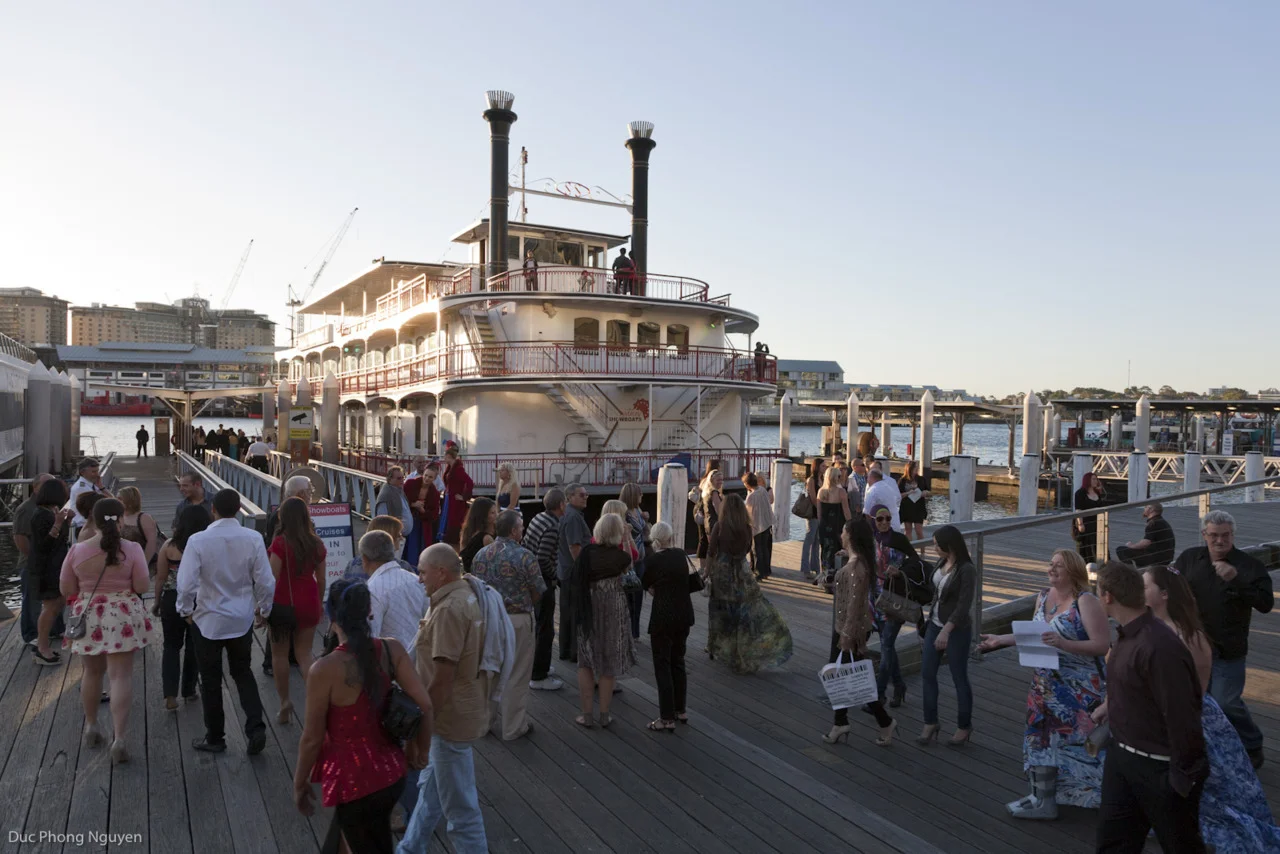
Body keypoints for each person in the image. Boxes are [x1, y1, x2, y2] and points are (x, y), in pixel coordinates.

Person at [1141, 564, 1280, 851]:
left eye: (1145, 586)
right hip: (1160, 715)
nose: (1139, 591)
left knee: (1210, 788)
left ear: (1164, 594)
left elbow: (1195, 692)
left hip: (1189, 719)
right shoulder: (1150, 627)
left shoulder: (1188, 636)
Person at [295, 580, 433, 854]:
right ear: (369, 612)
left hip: (354, 783)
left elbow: (311, 739)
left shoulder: (324, 669)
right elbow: (425, 705)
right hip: (393, 774)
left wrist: (299, 783)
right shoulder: (391, 650)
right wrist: (420, 750)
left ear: (332, 619)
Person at [978, 549, 1109, 819]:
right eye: (1050, 564)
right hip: (1044, 685)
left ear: (1073, 571)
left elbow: (1102, 645)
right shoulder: (1042, 596)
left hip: (1079, 689)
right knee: (1040, 740)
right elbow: (1034, 633)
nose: (1051, 569)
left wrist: (1065, 644)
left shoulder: (1085, 601)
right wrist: (1000, 640)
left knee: (1082, 744)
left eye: (1058, 566)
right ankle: (1042, 799)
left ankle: (1095, 797)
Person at [1091, 561, 1208, 853]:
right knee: (1113, 843)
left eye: (1097, 592)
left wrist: (1181, 780)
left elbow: (1184, 716)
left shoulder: (1159, 647)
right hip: (1122, 759)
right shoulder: (1127, 635)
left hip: (1159, 767)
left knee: (1181, 845)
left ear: (1107, 597)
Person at [399, 544, 491, 854]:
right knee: (430, 793)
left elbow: (441, 679)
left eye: (422, 572)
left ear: (441, 572)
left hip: (448, 720)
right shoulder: (462, 594)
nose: (418, 578)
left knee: (461, 811)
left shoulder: (450, 610)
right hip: (458, 712)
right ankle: (410, 848)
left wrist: (419, 730)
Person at [176, 488, 276, 755]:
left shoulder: (198, 541)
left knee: (210, 680)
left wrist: (184, 610)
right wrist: (264, 610)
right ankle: (256, 728)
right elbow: (266, 581)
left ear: (213, 510)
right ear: (239, 508)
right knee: (243, 673)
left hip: (207, 619)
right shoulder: (253, 538)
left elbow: (185, 584)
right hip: (240, 618)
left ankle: (216, 737)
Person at [1174, 509, 1273, 770]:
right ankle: (1209, 748)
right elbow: (1171, 587)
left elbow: (1265, 603)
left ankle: (1252, 743)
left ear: (1233, 535)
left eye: (1226, 535)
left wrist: (1237, 580)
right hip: (1193, 645)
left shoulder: (1249, 565)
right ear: (1204, 535)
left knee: (1226, 702)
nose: (1220, 540)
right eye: (1214, 535)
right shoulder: (1189, 558)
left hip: (1228, 646)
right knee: (1198, 700)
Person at [59, 498, 155, 763]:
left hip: (88, 614)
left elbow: (67, 589)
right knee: (120, 677)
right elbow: (142, 586)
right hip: (122, 615)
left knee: (91, 673)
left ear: (95, 519)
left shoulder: (77, 551)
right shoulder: (133, 549)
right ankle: (119, 739)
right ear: (122, 519)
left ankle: (91, 726)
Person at [823, 517, 897, 746]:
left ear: (851, 536)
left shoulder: (857, 567)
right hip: (846, 626)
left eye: (844, 531)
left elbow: (855, 603)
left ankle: (877, 722)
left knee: (850, 677)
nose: (841, 535)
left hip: (851, 629)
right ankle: (843, 721)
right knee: (846, 676)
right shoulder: (856, 561)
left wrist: (846, 636)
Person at [471, 510, 544, 740]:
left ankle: (484, 723)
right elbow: (538, 590)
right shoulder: (525, 556)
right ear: (513, 531)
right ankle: (513, 727)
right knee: (518, 672)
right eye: (521, 527)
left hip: (490, 619)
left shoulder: (481, 554)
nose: (522, 530)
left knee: (490, 671)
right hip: (517, 619)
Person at [706, 493, 793, 673]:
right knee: (742, 612)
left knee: (720, 611)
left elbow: (711, 551)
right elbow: (747, 549)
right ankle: (741, 649)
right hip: (742, 572)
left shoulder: (719, 526)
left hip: (722, 573)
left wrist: (706, 572)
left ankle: (717, 647)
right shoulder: (747, 528)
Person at [570, 514, 636, 727]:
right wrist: (626, 538)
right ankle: (605, 715)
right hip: (613, 608)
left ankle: (587, 715)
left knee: (585, 661)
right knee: (608, 662)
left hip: (588, 607)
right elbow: (630, 563)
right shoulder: (620, 557)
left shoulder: (587, 553)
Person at [266, 497, 327, 724]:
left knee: (280, 655)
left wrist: (262, 608)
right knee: (304, 654)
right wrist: (319, 602)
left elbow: (272, 577)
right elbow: (321, 579)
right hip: (309, 600)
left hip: (283, 603)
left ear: (283, 516)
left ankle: (284, 702)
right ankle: (318, 703)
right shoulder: (317, 544)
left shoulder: (280, 543)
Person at [918, 524, 976, 747]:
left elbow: (963, 606)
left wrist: (946, 629)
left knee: (958, 676)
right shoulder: (943, 562)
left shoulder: (966, 570)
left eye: (936, 544)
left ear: (949, 545)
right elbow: (935, 591)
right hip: (934, 623)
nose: (934, 548)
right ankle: (930, 721)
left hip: (957, 629)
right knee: (927, 673)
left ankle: (964, 725)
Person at [641, 522, 696, 732]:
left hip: (663, 617)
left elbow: (646, 582)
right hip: (684, 614)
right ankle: (680, 709)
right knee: (678, 661)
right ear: (671, 537)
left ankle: (666, 717)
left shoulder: (654, 560)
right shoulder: (680, 555)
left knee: (662, 664)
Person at [153, 504, 208, 710]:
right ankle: (189, 689)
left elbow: (160, 578)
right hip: (199, 600)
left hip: (172, 599)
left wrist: (157, 602)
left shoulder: (169, 545)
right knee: (194, 645)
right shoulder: (206, 545)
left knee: (171, 646)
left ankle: (170, 695)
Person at [869, 505, 921, 708]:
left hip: (895, 597)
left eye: (888, 519)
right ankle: (899, 686)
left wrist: (900, 570)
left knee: (887, 645)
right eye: (880, 519)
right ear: (873, 520)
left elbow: (916, 561)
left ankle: (879, 694)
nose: (884, 523)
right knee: (886, 646)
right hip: (876, 598)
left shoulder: (898, 539)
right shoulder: (870, 539)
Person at [523, 488, 565, 691]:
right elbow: (542, 557)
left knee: (540, 625)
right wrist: (554, 576)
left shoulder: (538, 517)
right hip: (543, 582)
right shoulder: (553, 527)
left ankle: (539, 666)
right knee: (545, 628)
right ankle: (538, 675)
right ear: (562, 505)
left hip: (532, 579)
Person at [30, 477, 74, 665]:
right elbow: (43, 545)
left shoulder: (50, 512)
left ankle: (43, 644)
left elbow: (59, 540)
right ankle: (42, 647)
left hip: (56, 566)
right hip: (46, 568)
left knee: (56, 605)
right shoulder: (40, 515)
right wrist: (57, 523)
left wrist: (66, 520)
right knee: (50, 607)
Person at [13, 473, 60, 646]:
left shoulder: (52, 506)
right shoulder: (26, 509)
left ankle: (54, 629)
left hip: (50, 562)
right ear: (36, 487)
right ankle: (30, 634)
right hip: (32, 564)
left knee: (53, 598)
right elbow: (20, 538)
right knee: (31, 601)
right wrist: (34, 559)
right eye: (47, 485)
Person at [556, 484, 591, 662]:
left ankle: (566, 650)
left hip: (565, 571)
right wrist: (585, 571)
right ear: (569, 497)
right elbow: (575, 547)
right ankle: (574, 652)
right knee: (575, 613)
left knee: (568, 613)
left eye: (586, 495)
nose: (586, 497)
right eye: (582, 495)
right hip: (574, 573)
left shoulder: (568, 515)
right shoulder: (573, 517)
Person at [619, 483, 650, 639]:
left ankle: (635, 631)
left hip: (641, 557)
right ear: (633, 495)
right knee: (629, 597)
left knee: (638, 597)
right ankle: (628, 631)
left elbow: (644, 531)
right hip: (630, 558)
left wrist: (646, 519)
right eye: (640, 493)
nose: (642, 496)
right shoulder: (624, 514)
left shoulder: (637, 510)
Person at [343, 515, 416, 579]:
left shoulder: (353, 564)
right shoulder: (401, 566)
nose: (402, 538)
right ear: (389, 537)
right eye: (398, 535)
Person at [816, 465, 851, 588]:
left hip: (824, 526)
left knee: (825, 551)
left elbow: (819, 513)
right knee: (838, 551)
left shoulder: (821, 491)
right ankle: (836, 579)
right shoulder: (841, 492)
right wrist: (851, 524)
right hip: (837, 525)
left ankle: (824, 577)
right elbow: (846, 512)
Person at [1116, 501, 1175, 568]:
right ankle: (1141, 571)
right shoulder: (1161, 521)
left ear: (1151, 509)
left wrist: (1132, 546)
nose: (1144, 509)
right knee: (1140, 555)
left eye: (1146, 507)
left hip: (1157, 558)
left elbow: (1146, 543)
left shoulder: (1154, 523)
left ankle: (1131, 572)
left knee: (1121, 550)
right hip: (1165, 557)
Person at [403, 458, 440, 566]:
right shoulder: (410, 483)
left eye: (430, 477)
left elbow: (434, 514)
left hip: (423, 524)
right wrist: (413, 504)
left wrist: (423, 510)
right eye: (426, 475)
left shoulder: (435, 493)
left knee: (420, 547)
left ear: (434, 478)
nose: (427, 479)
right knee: (407, 546)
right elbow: (402, 500)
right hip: (408, 519)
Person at [374, 466, 414, 558]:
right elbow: (382, 519)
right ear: (389, 479)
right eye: (399, 478)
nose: (402, 481)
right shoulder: (386, 495)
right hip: (393, 539)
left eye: (403, 478)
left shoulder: (399, 491)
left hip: (401, 537)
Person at [437, 447, 474, 549]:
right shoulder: (450, 467)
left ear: (449, 456)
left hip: (455, 500)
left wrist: (464, 497)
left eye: (445, 456)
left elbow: (469, 482)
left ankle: (454, 544)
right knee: (448, 518)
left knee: (454, 520)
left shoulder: (458, 469)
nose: (444, 458)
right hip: (449, 498)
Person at [116, 486, 159, 568]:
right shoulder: (118, 516)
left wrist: (144, 564)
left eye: (120, 498)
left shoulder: (144, 518)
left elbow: (152, 543)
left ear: (129, 500)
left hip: (141, 562)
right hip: (122, 563)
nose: (117, 501)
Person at [1073, 472, 1111, 563]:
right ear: (1087, 480)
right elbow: (1078, 510)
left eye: (1096, 479)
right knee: (1086, 544)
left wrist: (1106, 524)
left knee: (1100, 543)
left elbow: (1102, 510)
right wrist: (1080, 524)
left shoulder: (1097, 492)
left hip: (1097, 521)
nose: (1095, 481)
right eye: (1093, 479)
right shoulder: (1080, 493)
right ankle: (1085, 563)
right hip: (1085, 521)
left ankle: (1103, 562)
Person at [68, 457, 111, 534]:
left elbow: (112, 501)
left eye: (97, 471)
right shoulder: (81, 488)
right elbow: (109, 503)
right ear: (82, 472)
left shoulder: (92, 485)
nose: (97, 475)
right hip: (84, 526)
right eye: (93, 472)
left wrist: (102, 487)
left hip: (90, 525)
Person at [799, 458, 826, 580]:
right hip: (813, 514)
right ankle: (805, 568)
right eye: (823, 466)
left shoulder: (823, 479)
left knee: (816, 542)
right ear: (817, 467)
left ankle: (815, 568)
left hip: (820, 514)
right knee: (809, 540)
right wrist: (821, 510)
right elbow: (813, 498)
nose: (825, 468)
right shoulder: (811, 480)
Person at [744, 473, 774, 580]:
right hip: (766, 523)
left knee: (757, 549)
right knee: (765, 548)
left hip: (756, 525)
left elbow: (747, 512)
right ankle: (766, 571)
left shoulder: (751, 496)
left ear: (747, 484)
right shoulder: (763, 490)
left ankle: (759, 572)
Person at [457, 497, 496, 571]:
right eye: (492, 513)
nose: (496, 516)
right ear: (483, 515)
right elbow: (494, 561)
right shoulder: (486, 538)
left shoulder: (466, 532)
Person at [897, 460, 930, 542]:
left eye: (917, 467)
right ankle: (909, 550)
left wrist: (925, 493)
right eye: (915, 467)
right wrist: (908, 493)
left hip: (918, 507)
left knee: (919, 531)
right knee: (908, 530)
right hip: (906, 507)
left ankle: (922, 552)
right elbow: (898, 495)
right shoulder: (903, 480)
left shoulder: (921, 479)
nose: (917, 469)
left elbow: (929, 491)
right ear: (910, 468)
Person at [698, 469, 724, 571]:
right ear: (712, 480)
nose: (720, 482)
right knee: (717, 550)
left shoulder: (706, 492)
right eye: (718, 480)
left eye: (722, 480)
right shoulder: (714, 493)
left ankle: (707, 570)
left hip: (708, 524)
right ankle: (714, 571)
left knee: (711, 548)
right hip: (715, 524)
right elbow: (719, 511)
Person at [863, 469, 901, 533]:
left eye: (868, 478)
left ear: (871, 477)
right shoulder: (889, 488)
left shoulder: (873, 490)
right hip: (895, 525)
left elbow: (867, 513)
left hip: (883, 528)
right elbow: (898, 499)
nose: (867, 480)